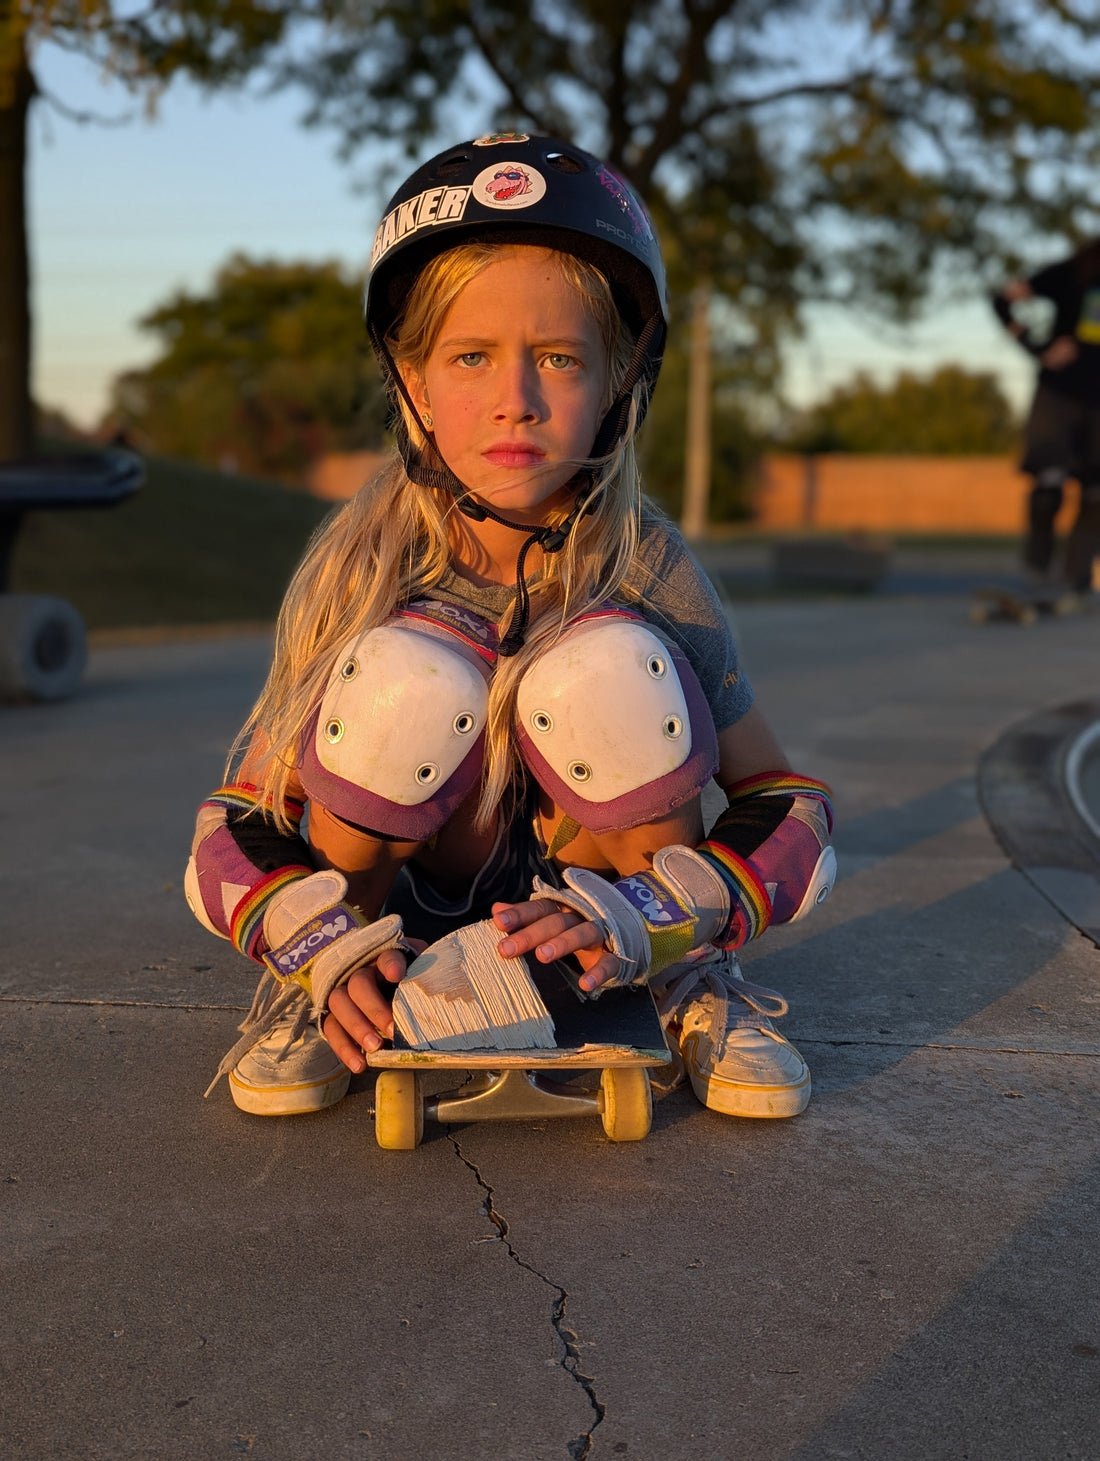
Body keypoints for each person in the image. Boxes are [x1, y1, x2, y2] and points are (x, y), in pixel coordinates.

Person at [184, 133, 836, 1122]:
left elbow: (788, 808)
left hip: (601, 909)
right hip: (395, 917)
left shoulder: (644, 559)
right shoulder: (366, 563)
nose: (515, 401)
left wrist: (662, 916)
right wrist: (309, 939)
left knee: (607, 668)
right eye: (471, 356)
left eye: (559, 359)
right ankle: (325, 992)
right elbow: (234, 821)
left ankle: (683, 980)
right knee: (411, 676)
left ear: (620, 380)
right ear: (410, 380)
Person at [992, 240, 1100, 595]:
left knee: (1095, 494)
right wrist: (1034, 347)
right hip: (1060, 395)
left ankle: (1077, 577)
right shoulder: (1075, 271)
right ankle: (1038, 570)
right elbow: (1002, 298)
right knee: (1048, 485)